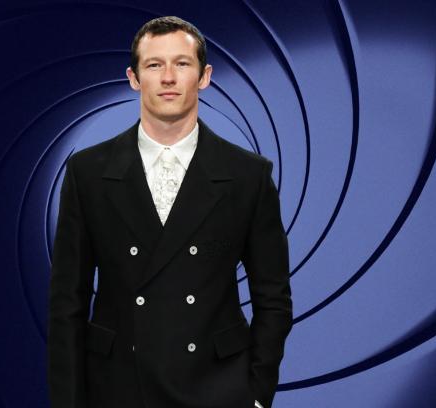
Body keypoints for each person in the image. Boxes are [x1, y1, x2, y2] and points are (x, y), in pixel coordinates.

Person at [47, 16, 292, 408]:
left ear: (204, 76)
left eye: (182, 63)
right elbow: (66, 302)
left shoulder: (248, 175)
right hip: (117, 387)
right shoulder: (88, 172)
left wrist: (257, 395)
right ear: (133, 78)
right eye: (154, 65)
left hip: (217, 388)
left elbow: (273, 297)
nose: (168, 78)